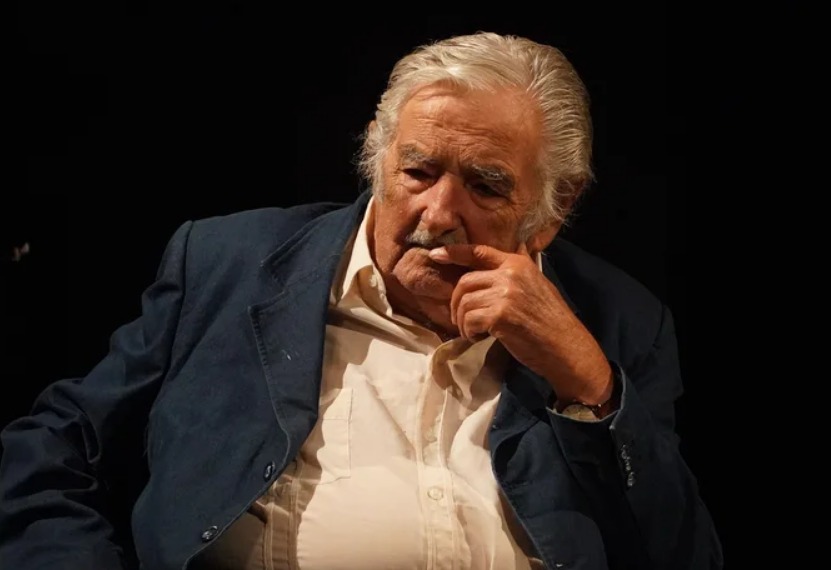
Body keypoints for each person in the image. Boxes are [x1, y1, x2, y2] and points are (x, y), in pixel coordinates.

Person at [0, 31, 723, 569]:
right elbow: (50, 451)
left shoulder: (618, 322)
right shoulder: (228, 265)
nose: (438, 214)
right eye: (418, 171)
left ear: (553, 208)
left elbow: (682, 553)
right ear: (376, 159)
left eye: (485, 185)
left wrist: (590, 385)